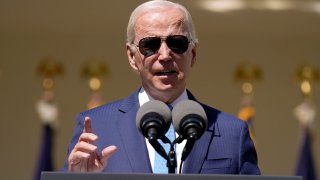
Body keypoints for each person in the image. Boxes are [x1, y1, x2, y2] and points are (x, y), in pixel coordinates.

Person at [62, 0, 260, 174]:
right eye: (150, 45)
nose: (165, 55)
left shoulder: (232, 133)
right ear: (132, 57)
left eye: (177, 43)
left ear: (193, 54)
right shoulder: (96, 128)